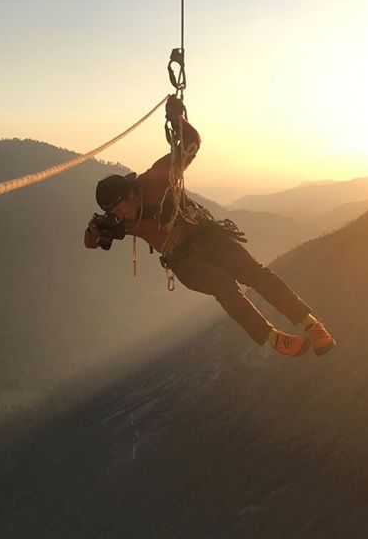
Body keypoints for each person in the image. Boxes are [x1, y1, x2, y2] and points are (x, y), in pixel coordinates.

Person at [84, 96, 335, 357]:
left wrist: (178, 120)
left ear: (131, 194)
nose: (119, 214)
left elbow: (192, 143)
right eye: (112, 212)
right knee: (224, 287)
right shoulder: (121, 220)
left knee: (255, 273)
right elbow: (90, 242)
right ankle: (274, 339)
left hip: (204, 235)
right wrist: (94, 229)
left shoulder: (157, 178)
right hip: (184, 261)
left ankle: (312, 326)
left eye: (119, 207)